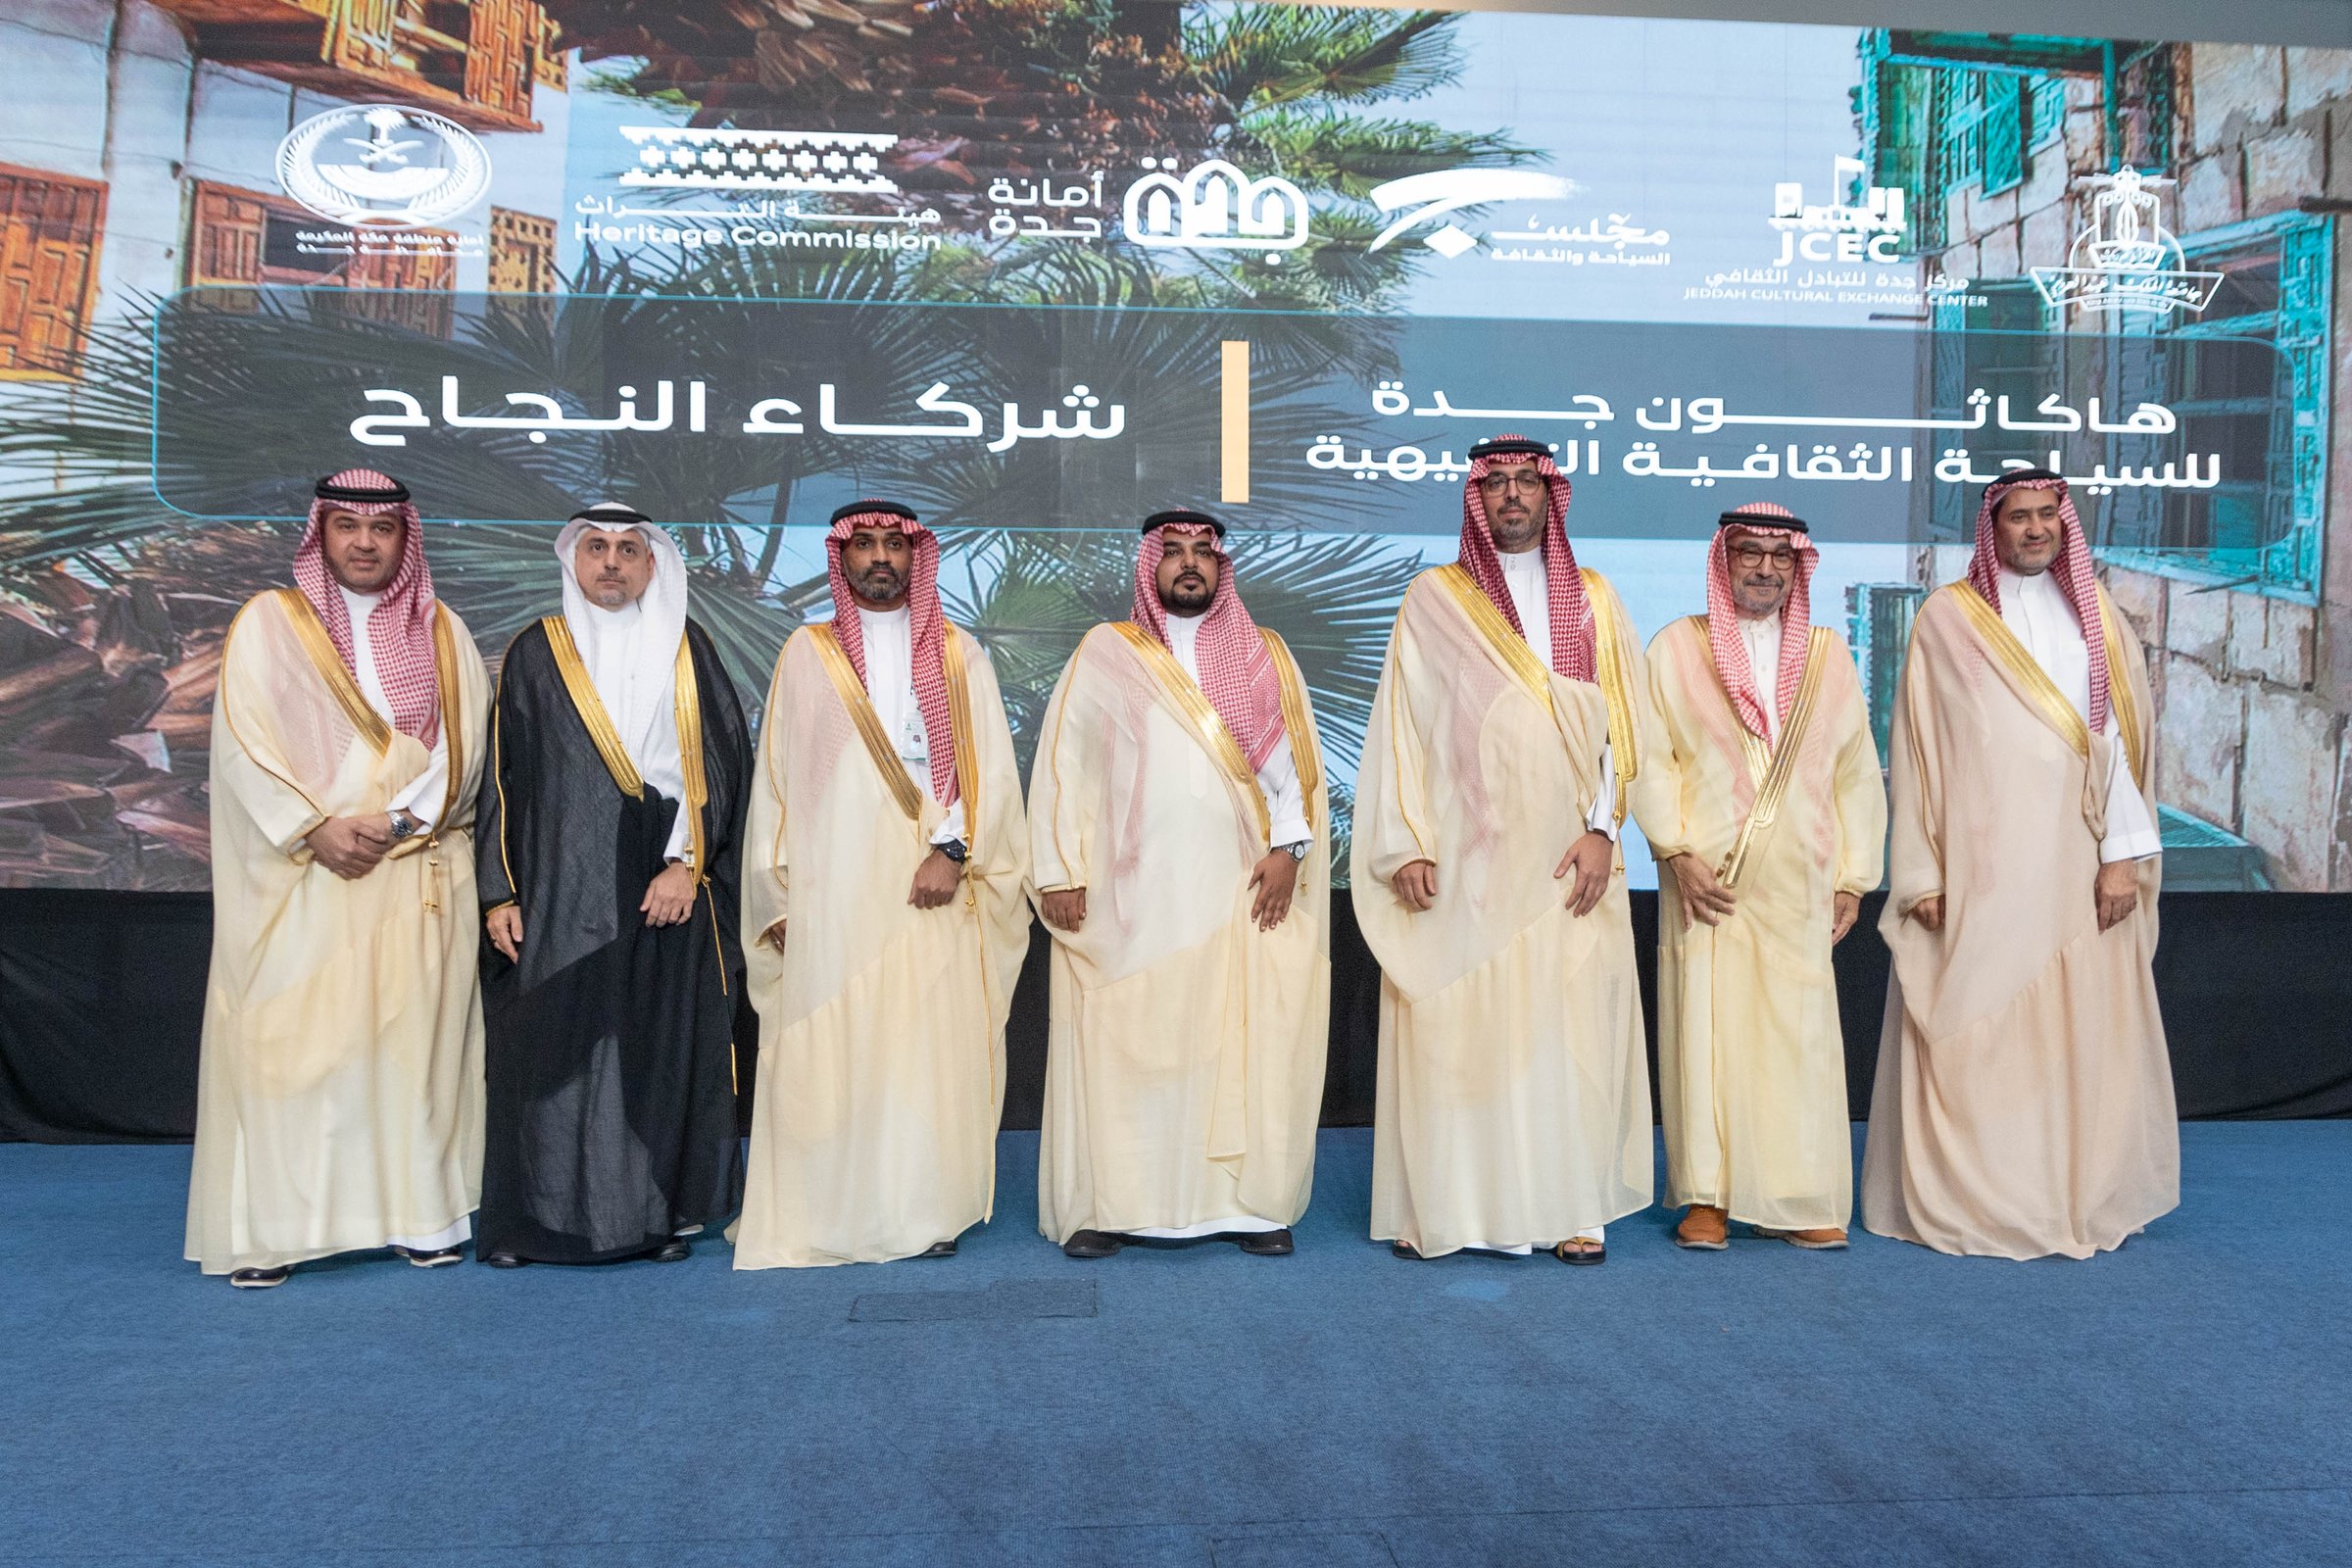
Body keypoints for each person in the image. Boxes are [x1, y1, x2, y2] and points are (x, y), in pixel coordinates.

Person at [186, 468, 491, 1288]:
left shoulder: (442, 631)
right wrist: (314, 828)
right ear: (320, 534)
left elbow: (465, 751)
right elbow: (243, 744)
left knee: (407, 1052)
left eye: (382, 528)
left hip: (407, 872)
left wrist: (392, 825)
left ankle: (418, 1217)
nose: (364, 542)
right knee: (291, 1051)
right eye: (347, 526)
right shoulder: (269, 624)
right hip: (303, 877)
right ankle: (273, 1233)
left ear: (405, 538)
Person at [1351, 435, 1652, 1264]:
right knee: (1459, 1027)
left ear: (1551, 497)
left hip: (1567, 864)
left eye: (1528, 483)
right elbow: (1403, 730)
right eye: (1499, 486)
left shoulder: (1593, 599)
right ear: (1475, 501)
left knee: (1565, 1034)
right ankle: (1448, 1209)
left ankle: (1569, 1209)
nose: (1513, 497)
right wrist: (1405, 842)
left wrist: (1602, 829)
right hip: (1465, 859)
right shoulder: (1434, 598)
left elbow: (1623, 735)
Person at [1864, 468, 2175, 1259]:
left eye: (2047, 516)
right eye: (2018, 517)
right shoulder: (1947, 619)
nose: (2035, 529)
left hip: (2079, 862)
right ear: (1990, 528)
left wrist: (2121, 861)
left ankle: (2068, 1193)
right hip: (1984, 865)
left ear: (2063, 524)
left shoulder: (2099, 616)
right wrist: (1922, 871)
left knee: (2077, 1031)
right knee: (1979, 1022)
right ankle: (1985, 1196)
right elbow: (1920, 749)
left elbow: (2124, 753)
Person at [731, 501, 1029, 1268]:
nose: (879, 558)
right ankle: (828, 1206)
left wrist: (953, 851)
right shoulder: (808, 652)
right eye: (862, 544)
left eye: (893, 544)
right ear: (843, 557)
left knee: (923, 1047)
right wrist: (778, 894)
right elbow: (779, 781)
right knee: (831, 1044)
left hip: (928, 886)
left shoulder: (960, 654)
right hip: (832, 892)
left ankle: (920, 1208)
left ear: (914, 555)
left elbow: (989, 769)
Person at [1029, 510, 1330, 1258]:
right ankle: (1113, 1205)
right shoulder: (1105, 652)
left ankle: (1246, 1208)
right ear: (1148, 567)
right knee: (1126, 1041)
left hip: (1239, 889)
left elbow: (1299, 771)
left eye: (1203, 552)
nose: (1188, 565)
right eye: (1173, 554)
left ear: (1220, 567)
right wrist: (1060, 870)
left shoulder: (1265, 655)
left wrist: (1291, 851)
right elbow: (1064, 767)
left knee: (1240, 1038)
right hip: (1131, 897)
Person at [473, 502, 750, 1267]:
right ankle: (541, 1224)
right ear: (574, 560)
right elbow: (501, 777)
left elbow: (724, 772)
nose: (612, 564)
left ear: (653, 565)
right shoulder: (538, 650)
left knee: (649, 1054)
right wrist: (499, 892)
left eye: (629, 550)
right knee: (552, 1056)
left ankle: (651, 1219)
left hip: (664, 887)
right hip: (561, 889)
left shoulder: (689, 650)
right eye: (596, 548)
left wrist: (686, 865)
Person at [1634, 503, 1886, 1253]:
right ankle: (1707, 1198)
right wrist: (1676, 852)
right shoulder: (1677, 648)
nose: (1766, 569)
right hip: (1707, 881)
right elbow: (1651, 759)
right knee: (1706, 1035)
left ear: (1799, 567)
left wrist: (1853, 877)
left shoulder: (1827, 655)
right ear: (1724, 559)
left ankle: (1801, 1191)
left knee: (1797, 1038)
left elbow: (1854, 773)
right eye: (1750, 553)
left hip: (1800, 879)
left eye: (1781, 557)